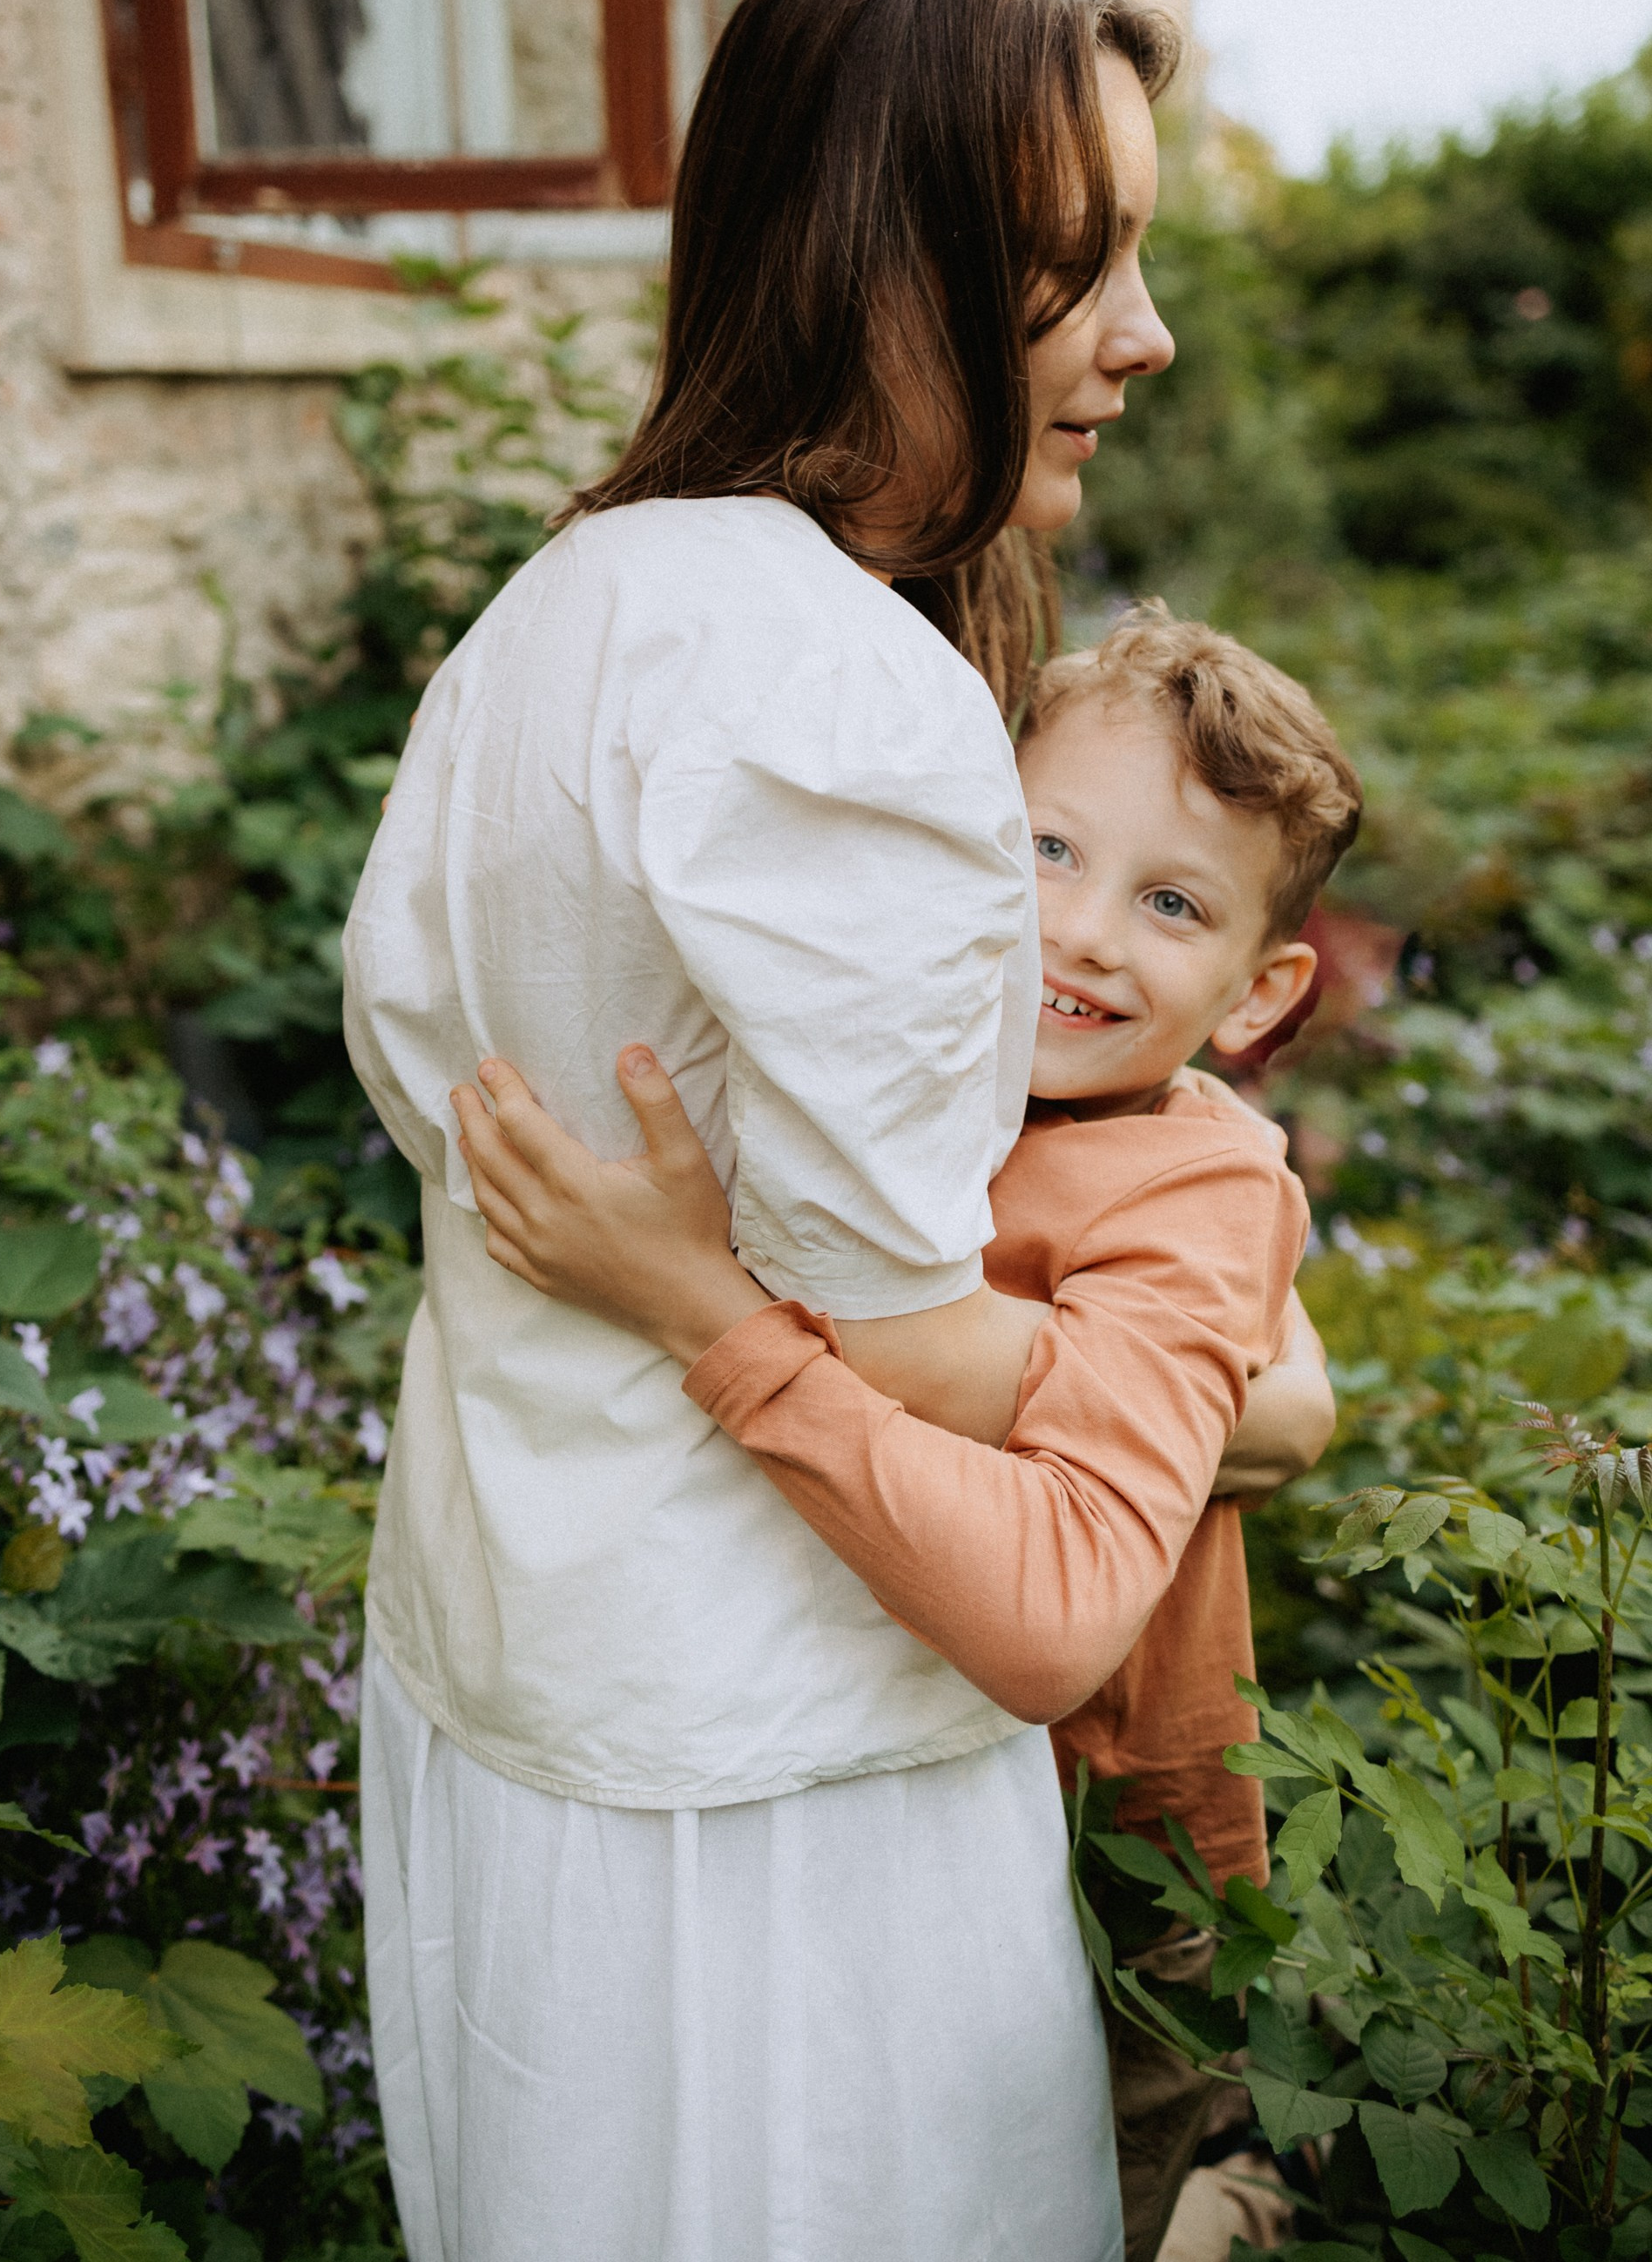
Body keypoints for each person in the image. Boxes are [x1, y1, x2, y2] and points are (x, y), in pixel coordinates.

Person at [342, 0, 1311, 2262]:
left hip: (512, 1675)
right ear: (891, 269)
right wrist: (1235, 1393)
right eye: (1080, 270)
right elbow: (906, 1348)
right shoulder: (846, 698)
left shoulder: (555, 604)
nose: (1141, 341)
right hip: (783, 1793)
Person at [449, 605, 1356, 2261]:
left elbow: (1095, 1549)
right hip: (895, 1765)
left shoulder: (1204, 1175)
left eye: (1170, 903)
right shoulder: (919, 1084)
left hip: (1124, 1822)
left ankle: (1211, 2200)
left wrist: (700, 1307)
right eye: (1044, 850)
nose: (1078, 933)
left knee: (1072, 2182)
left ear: (1260, 988)